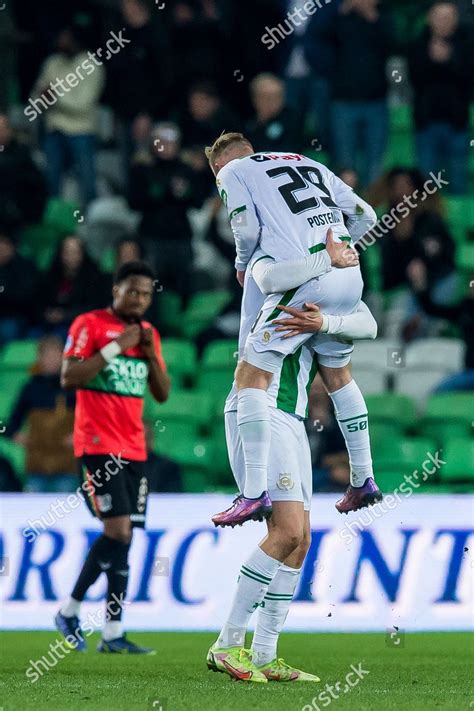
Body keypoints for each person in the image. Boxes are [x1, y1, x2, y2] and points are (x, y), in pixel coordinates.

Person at [207, 236, 378, 681]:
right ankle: (227, 643)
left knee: (300, 540)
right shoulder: (282, 279)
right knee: (285, 532)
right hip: (259, 407)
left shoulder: (320, 311)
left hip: (291, 417)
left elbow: (367, 326)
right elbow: (261, 274)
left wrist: (326, 321)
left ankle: (264, 653)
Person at [205, 132, 381, 528]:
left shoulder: (232, 171)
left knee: (251, 376)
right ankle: (363, 479)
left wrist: (241, 263)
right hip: (349, 275)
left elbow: (246, 228)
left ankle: (252, 495)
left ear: (219, 166)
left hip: (307, 279)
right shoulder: (308, 162)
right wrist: (340, 251)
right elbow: (366, 215)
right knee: (338, 376)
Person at [55, 261, 170, 654]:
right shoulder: (89, 324)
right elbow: (70, 376)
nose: (139, 299)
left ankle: (112, 633)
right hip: (97, 445)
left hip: (135, 448)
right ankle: (70, 609)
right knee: (117, 531)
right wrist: (116, 347)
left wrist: (150, 354)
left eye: (145, 294)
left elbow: (163, 394)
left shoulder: (149, 334)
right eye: (132, 291)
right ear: (116, 289)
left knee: (124, 539)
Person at [128, 122, 202, 305]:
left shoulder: (186, 170)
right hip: (152, 236)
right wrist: (159, 193)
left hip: (180, 236)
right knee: (151, 285)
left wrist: (183, 193)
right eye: (161, 142)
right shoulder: (142, 169)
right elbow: (132, 202)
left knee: (184, 285)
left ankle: (182, 326)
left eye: (170, 143)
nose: (166, 147)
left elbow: (198, 201)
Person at [31, 25, 105, 206]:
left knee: (87, 181)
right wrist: (43, 98)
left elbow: (83, 104)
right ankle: (54, 221)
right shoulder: (52, 63)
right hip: (54, 130)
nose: (63, 43)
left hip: (81, 131)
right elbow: (37, 95)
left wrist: (55, 96)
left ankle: (88, 220)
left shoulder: (91, 65)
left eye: (67, 39)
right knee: (51, 180)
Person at [408, 1, 473, 195]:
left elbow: (468, 79)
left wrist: (449, 60)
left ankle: (461, 224)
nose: (444, 22)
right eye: (439, 17)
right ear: (429, 19)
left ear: (456, 20)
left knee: (458, 180)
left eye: (449, 17)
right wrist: (432, 60)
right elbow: (415, 79)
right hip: (426, 123)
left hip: (457, 123)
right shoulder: (418, 44)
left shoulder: (467, 45)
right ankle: (428, 223)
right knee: (426, 185)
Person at [331, 0, 393, 186]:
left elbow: (394, 46)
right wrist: (341, 11)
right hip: (343, 100)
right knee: (345, 163)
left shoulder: (385, 17)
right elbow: (318, 37)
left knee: (375, 163)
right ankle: (345, 211)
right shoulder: (338, 17)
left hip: (376, 101)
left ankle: (373, 211)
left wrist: (372, 17)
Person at [6, 336, 76, 492]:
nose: (51, 360)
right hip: (36, 466)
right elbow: (9, 423)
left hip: (66, 466)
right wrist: (13, 434)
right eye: (47, 355)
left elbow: (91, 420)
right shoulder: (30, 388)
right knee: (34, 511)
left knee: (65, 511)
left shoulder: (72, 387)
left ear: (62, 357)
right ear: (40, 358)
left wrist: (79, 434)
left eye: (55, 355)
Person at [408, 260, 474, 392]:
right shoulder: (465, 309)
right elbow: (432, 309)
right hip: (469, 371)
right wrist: (420, 284)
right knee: (438, 392)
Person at [37, 235, 107, 339]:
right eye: (67, 252)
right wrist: (46, 314)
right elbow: (37, 303)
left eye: (75, 252)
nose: (71, 256)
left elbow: (94, 308)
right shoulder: (49, 276)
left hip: (79, 325)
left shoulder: (94, 278)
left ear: (82, 254)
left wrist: (65, 315)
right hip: (47, 325)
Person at [0, 113, 47, 227]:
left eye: (3, 129)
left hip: (18, 212)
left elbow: (37, 185)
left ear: (10, 130)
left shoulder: (22, 153)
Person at [245, 74, 302, 154]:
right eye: (266, 97)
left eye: (277, 96)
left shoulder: (293, 120)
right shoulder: (249, 124)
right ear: (255, 99)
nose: (271, 102)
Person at [0, 227, 38, 345]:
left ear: (13, 247)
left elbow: (25, 296)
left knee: (7, 330)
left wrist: (3, 290)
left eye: (3, 245)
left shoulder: (25, 266)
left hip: (16, 316)